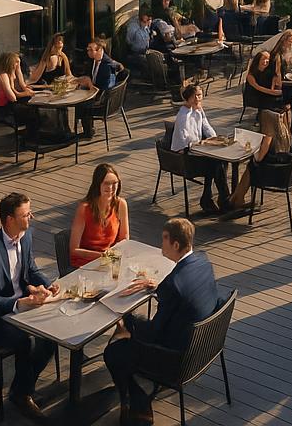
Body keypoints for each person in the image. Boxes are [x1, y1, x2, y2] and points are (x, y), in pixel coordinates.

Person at [103, 218, 221, 424]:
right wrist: (158, 286)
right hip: (203, 347)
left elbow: (154, 333)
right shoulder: (203, 261)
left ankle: (137, 403)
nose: (161, 245)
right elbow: (183, 293)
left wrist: (127, 327)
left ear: (175, 245)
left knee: (113, 352)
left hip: (176, 360)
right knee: (132, 323)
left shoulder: (173, 285)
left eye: (164, 240)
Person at [0, 193, 59, 420]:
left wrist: (48, 285)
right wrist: (17, 303)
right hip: (0, 317)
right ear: (9, 219)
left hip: (25, 307)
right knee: (27, 341)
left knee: (52, 336)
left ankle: (21, 388)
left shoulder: (26, 236)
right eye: (25, 214)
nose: (30, 217)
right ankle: (22, 395)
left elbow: (30, 269)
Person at [171, 84, 231, 213]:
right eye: (195, 96)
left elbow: (206, 126)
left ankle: (214, 198)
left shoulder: (198, 110)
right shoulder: (183, 115)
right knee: (216, 163)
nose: (198, 99)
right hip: (185, 157)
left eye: (200, 95)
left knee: (221, 161)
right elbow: (186, 140)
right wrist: (201, 144)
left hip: (198, 150)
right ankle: (222, 198)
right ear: (188, 98)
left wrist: (214, 139)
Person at [228, 107, 292, 212]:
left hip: (274, 175)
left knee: (253, 165)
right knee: (251, 165)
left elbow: (260, 157)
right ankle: (235, 198)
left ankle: (236, 199)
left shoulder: (269, 130)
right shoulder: (284, 128)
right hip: (286, 168)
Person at [69, 163, 130, 267]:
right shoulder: (84, 208)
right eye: (106, 183)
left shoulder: (121, 204)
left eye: (115, 183)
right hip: (86, 262)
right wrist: (102, 256)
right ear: (98, 185)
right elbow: (74, 250)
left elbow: (124, 239)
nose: (111, 187)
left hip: (110, 260)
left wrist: (114, 257)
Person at [77, 38, 123, 138]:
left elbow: (106, 90)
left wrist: (89, 85)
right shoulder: (93, 61)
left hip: (104, 102)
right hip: (95, 92)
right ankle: (89, 129)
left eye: (90, 49)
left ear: (100, 50)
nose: (88, 51)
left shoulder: (107, 66)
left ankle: (87, 132)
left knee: (80, 103)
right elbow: (89, 76)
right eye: (87, 49)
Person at [124, 9, 154, 77]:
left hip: (145, 51)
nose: (147, 23)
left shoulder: (146, 26)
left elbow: (147, 38)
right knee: (147, 62)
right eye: (145, 21)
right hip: (135, 52)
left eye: (149, 21)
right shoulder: (133, 27)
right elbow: (128, 41)